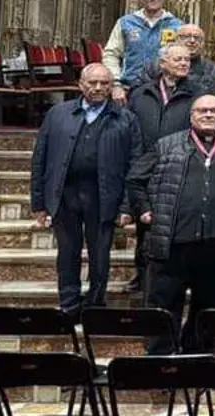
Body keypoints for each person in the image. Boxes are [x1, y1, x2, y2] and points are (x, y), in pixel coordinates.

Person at [129, 94, 215, 353]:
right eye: (202, 110)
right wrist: (144, 210)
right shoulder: (166, 144)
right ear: (191, 115)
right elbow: (135, 179)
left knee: (210, 308)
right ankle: (160, 356)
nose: (208, 115)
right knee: (164, 304)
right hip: (174, 242)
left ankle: (197, 354)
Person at [31, 64, 142, 315]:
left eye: (105, 83)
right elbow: (40, 158)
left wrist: (127, 206)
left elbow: (135, 165)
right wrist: (38, 202)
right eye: (92, 83)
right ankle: (68, 304)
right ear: (81, 85)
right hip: (64, 194)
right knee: (67, 252)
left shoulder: (126, 119)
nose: (98, 88)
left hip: (104, 196)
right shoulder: (57, 114)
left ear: (112, 86)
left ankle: (95, 305)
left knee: (100, 254)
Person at [126, 44, 199, 292]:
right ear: (163, 63)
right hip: (145, 164)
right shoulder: (141, 94)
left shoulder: (196, 94)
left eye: (187, 60)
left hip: (178, 165)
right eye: (178, 59)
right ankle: (142, 274)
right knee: (145, 223)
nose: (184, 63)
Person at [105, 0, 184, 103]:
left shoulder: (177, 26)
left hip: (165, 92)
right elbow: (111, 54)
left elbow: (184, 58)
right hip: (129, 89)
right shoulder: (126, 23)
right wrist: (116, 84)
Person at [137, 23, 215, 92]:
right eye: (186, 36)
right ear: (176, 40)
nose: (192, 41)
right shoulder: (156, 66)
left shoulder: (212, 70)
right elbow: (141, 92)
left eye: (197, 38)